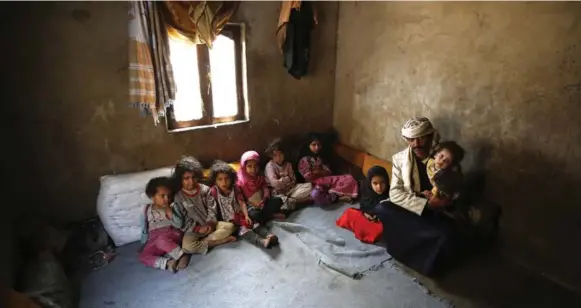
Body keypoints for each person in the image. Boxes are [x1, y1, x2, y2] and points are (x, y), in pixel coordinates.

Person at [378, 117, 462, 276]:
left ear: (430, 136)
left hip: (438, 210)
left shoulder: (443, 157)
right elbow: (395, 193)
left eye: (421, 138)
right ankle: (401, 251)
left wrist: (442, 202)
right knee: (383, 208)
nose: (416, 144)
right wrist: (425, 204)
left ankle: (426, 267)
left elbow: (455, 190)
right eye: (411, 139)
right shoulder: (400, 159)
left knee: (447, 234)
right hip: (415, 206)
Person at [172, 156, 236, 255]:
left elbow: (212, 209)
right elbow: (184, 219)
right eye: (186, 178)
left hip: (211, 226)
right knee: (187, 246)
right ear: (180, 179)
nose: (191, 181)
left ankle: (204, 242)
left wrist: (210, 224)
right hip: (193, 230)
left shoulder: (205, 190)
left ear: (198, 176)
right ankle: (218, 242)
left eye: (193, 177)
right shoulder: (179, 197)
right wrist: (197, 229)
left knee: (231, 227)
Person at [207, 161, 279, 249]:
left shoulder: (235, 188)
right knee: (244, 231)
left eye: (227, 178)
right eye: (220, 179)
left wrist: (246, 216)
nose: (224, 182)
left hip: (240, 214)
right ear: (215, 180)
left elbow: (241, 202)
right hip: (228, 220)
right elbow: (212, 209)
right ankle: (262, 241)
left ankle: (269, 235)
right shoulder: (214, 191)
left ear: (231, 178)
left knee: (254, 223)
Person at [138, 177, 189, 273]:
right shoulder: (145, 209)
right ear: (153, 197)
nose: (167, 199)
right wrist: (143, 243)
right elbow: (144, 228)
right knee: (143, 256)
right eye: (162, 196)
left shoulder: (173, 206)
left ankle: (182, 255)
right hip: (154, 238)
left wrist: (170, 212)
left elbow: (179, 225)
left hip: (171, 233)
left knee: (161, 241)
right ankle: (167, 263)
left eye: (169, 196)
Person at [298, 133, 358, 206]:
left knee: (349, 178)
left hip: (327, 179)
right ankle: (340, 198)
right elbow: (308, 176)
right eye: (313, 145)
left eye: (318, 145)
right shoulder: (304, 160)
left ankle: (339, 194)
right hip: (314, 184)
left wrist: (318, 172)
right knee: (316, 194)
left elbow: (328, 172)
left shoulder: (321, 157)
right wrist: (320, 172)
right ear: (308, 146)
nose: (317, 147)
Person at [335, 165, 388, 244]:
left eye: (382, 182)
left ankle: (366, 233)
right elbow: (363, 204)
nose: (379, 187)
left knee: (383, 228)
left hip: (379, 221)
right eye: (375, 183)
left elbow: (391, 212)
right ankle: (364, 231)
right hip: (367, 216)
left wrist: (379, 217)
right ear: (370, 183)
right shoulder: (366, 190)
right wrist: (365, 213)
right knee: (350, 212)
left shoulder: (391, 193)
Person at [264, 138, 313, 212]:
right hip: (278, 193)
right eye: (275, 155)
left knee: (310, 186)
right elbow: (275, 184)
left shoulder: (288, 164)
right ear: (271, 156)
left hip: (291, 190)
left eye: (280, 154)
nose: (279, 157)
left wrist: (283, 181)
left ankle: (292, 202)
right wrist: (286, 179)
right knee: (279, 201)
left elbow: (293, 180)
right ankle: (298, 201)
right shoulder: (270, 166)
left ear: (284, 154)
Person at [237, 151, 285, 224]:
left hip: (263, 203)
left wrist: (264, 199)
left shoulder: (260, 177)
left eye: (255, 166)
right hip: (251, 206)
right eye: (249, 166)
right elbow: (241, 200)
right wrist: (252, 205)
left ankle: (265, 216)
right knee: (254, 214)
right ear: (244, 166)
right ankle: (271, 216)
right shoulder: (240, 182)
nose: (253, 169)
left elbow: (265, 187)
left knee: (279, 200)